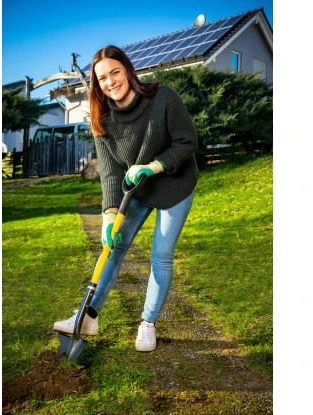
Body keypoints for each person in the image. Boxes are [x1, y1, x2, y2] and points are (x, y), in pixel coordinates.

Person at [54, 45, 199, 352]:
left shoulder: (162, 97)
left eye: (115, 72)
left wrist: (153, 166)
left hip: (174, 183)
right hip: (138, 189)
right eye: (102, 78)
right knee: (113, 245)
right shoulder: (102, 119)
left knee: (161, 255)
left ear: (128, 70)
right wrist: (108, 217)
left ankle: (148, 323)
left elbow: (187, 141)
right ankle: (88, 317)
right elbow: (109, 173)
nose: (110, 82)